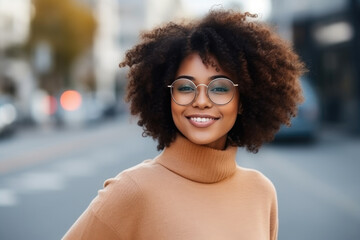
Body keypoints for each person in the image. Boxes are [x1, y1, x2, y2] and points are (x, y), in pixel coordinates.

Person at [63, 9, 304, 240]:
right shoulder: (132, 191)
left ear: (244, 100)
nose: (200, 101)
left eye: (219, 88)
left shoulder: (261, 192)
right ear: (167, 97)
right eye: (186, 87)